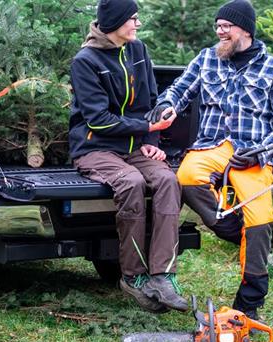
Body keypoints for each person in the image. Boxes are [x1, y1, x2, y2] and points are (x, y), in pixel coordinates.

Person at [154, 0, 273, 320]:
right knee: (187, 176)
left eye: (226, 26)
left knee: (260, 221)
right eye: (217, 25)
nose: (219, 31)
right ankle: (226, 225)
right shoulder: (207, 59)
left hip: (253, 151)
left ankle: (249, 302)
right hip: (213, 146)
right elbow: (179, 91)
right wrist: (167, 106)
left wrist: (261, 151)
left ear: (244, 29)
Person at [68, 0, 188, 313]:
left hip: (134, 146)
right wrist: (148, 125)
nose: (137, 24)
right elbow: (98, 120)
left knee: (167, 179)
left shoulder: (138, 50)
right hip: (95, 148)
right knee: (131, 182)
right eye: (132, 19)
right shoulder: (86, 60)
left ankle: (163, 275)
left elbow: (149, 100)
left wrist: (150, 138)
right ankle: (133, 277)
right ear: (115, 21)